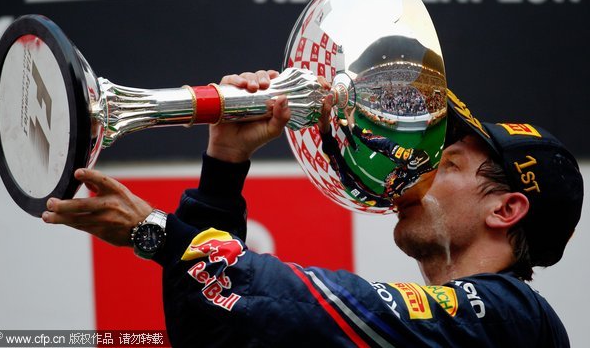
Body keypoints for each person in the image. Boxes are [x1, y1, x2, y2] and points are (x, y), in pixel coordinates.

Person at [42, 70, 584, 347]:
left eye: (449, 165)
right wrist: (225, 166)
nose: (416, 172)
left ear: (506, 210)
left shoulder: (517, 322)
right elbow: (216, 332)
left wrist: (155, 231)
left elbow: (301, 305)